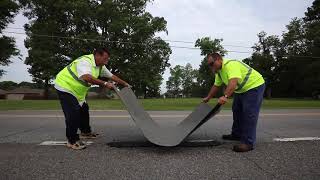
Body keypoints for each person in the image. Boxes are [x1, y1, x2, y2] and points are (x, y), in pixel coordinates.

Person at [54, 47, 130, 150]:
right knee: (73, 113)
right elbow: (86, 77)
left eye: (107, 59)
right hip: (65, 86)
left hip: (78, 91)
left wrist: (125, 84)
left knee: (84, 109)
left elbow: (112, 76)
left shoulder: (100, 66)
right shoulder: (85, 62)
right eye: (105, 58)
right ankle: (72, 140)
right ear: (97, 55)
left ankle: (85, 132)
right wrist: (105, 83)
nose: (106, 62)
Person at [203, 53, 265, 152]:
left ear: (219, 59)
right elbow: (216, 85)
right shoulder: (219, 72)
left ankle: (248, 143)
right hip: (241, 90)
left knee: (249, 114)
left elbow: (233, 82)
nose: (211, 66)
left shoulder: (230, 65)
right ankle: (237, 134)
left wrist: (225, 96)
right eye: (209, 65)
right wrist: (208, 97)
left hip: (254, 86)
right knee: (236, 110)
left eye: (212, 63)